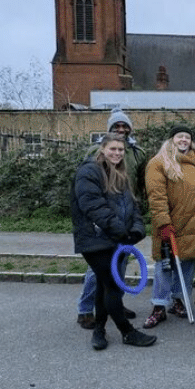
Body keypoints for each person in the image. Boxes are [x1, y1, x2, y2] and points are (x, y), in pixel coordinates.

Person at [71, 132, 155, 349]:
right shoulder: (89, 171)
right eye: (113, 149)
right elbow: (93, 206)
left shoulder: (120, 173)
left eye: (120, 150)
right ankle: (127, 332)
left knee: (103, 286)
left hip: (116, 240)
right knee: (112, 285)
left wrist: (136, 230)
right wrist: (121, 231)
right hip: (95, 240)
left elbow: (132, 205)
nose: (117, 153)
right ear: (103, 149)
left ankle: (99, 331)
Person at [76, 107, 147, 329]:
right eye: (117, 126)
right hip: (104, 221)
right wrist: (109, 223)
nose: (121, 129)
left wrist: (136, 215)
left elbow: (140, 183)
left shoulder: (138, 153)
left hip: (126, 212)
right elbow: (89, 194)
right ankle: (85, 310)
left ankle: (115, 303)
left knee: (121, 265)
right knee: (97, 272)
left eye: (125, 125)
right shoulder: (92, 156)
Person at [142, 126, 195, 329]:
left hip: (193, 224)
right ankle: (159, 306)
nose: (184, 140)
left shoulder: (194, 163)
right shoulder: (158, 163)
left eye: (187, 137)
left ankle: (178, 300)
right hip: (171, 225)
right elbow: (156, 197)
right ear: (171, 139)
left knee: (188, 264)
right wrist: (164, 223)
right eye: (179, 136)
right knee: (164, 266)